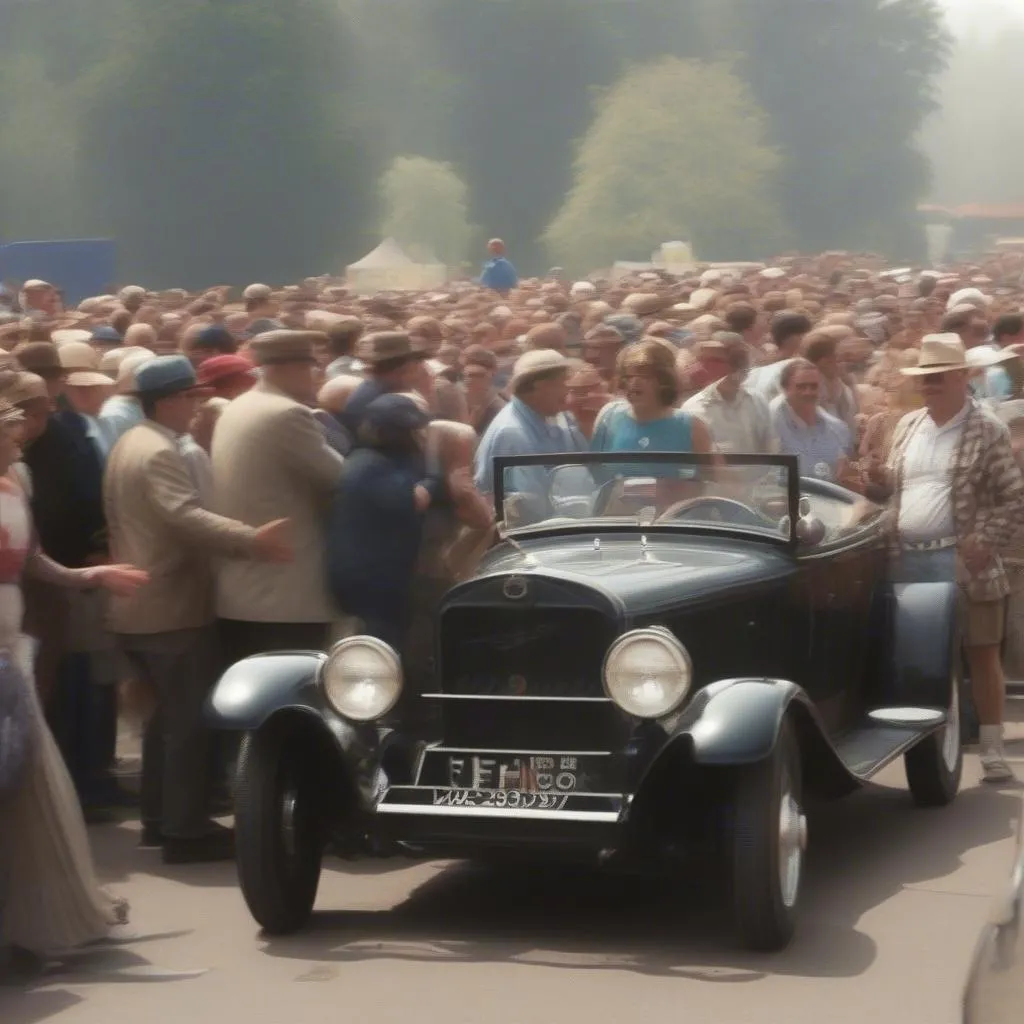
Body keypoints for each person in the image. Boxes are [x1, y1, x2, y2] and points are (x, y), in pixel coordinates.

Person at [104, 355, 292, 861]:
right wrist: (251, 540)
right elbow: (184, 517)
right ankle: (184, 832)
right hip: (170, 605)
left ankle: (160, 820)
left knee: (163, 724)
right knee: (186, 725)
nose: (197, 405)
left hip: (143, 603)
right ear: (167, 400)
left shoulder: (132, 441)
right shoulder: (159, 450)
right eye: (190, 397)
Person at [0, 396, 149, 964]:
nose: (19, 444)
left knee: (26, 784)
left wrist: (93, 574)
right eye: (9, 435)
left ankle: (29, 920)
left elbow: (37, 563)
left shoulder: (15, 486)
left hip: (12, 653)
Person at [882, 334, 1024, 783]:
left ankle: (993, 750)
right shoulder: (907, 427)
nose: (930, 385)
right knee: (923, 654)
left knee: (982, 653)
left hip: (962, 559)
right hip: (908, 558)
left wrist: (983, 541)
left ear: (963, 377)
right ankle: (936, 743)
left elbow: (1013, 498)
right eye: (925, 378)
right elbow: (894, 491)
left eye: (939, 376)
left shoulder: (988, 429)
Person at [211, 331, 345, 662]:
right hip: (283, 595)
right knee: (292, 700)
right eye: (311, 367)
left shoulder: (239, 406)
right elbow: (342, 479)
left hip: (245, 591)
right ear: (290, 367)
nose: (316, 377)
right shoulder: (287, 414)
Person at [326, 394, 440, 650]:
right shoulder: (369, 465)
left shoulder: (380, 460)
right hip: (371, 578)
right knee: (380, 646)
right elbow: (416, 500)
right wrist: (434, 474)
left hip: (380, 572)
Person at [473, 349, 587, 503]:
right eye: (562, 383)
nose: (567, 391)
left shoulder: (557, 418)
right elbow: (533, 506)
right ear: (540, 386)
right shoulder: (512, 434)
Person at [769, 358, 858, 486]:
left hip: (830, 498)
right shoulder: (771, 425)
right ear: (785, 388)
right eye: (801, 387)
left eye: (813, 386)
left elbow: (848, 468)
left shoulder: (837, 429)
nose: (808, 392)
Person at [683, 334, 776, 454]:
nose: (702, 368)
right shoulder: (693, 409)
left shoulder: (756, 399)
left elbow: (771, 444)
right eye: (704, 362)